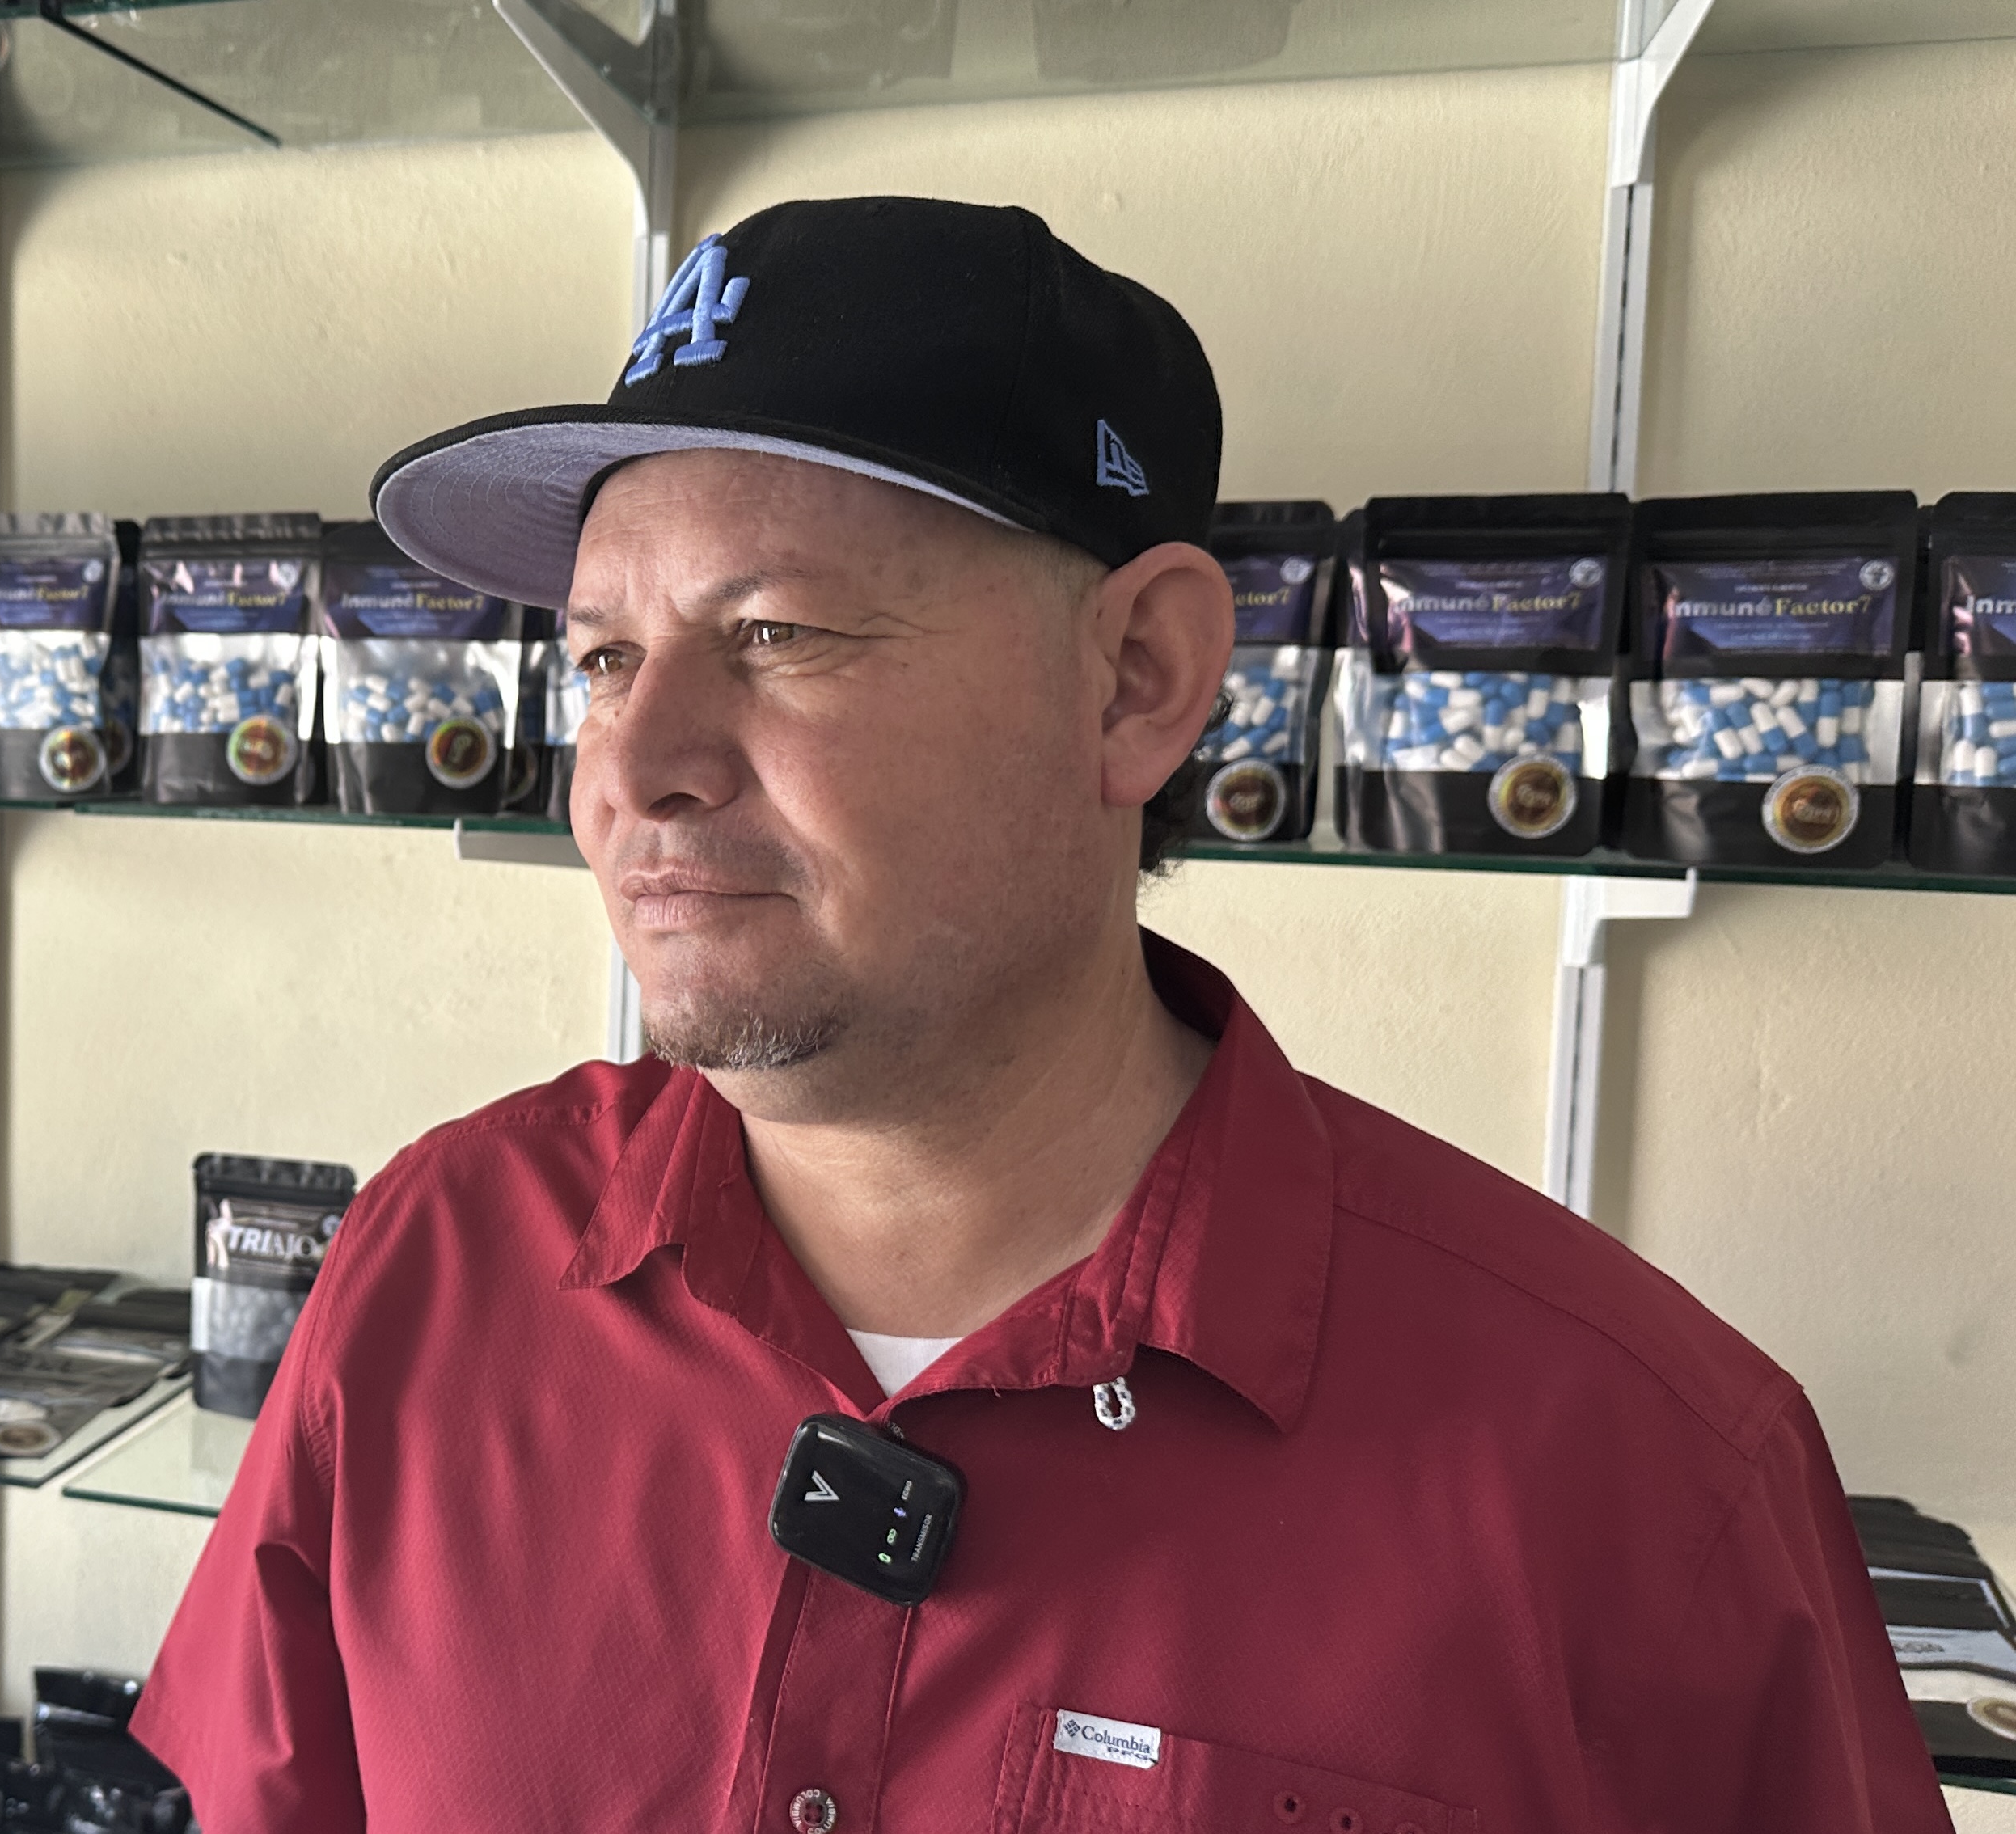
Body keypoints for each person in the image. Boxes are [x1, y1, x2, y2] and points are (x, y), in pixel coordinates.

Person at [129, 196, 1942, 1833]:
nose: (636, 769)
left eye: (776, 635)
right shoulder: (435, 1269)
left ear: (1138, 679)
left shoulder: (1643, 1474)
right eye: (606, 657)